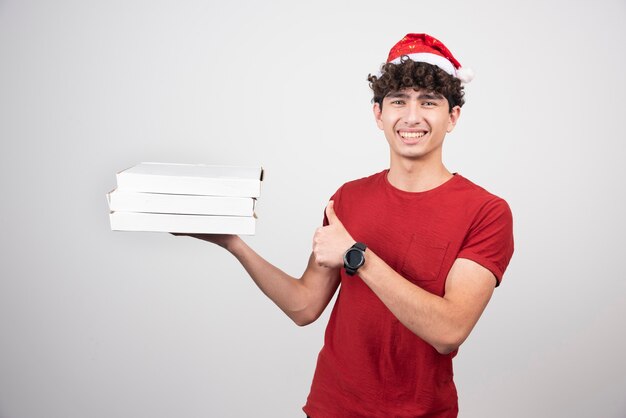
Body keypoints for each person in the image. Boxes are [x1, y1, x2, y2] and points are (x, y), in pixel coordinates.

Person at [179, 33, 514, 418]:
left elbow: (448, 332)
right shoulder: (348, 199)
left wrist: (358, 256)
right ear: (378, 114)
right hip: (332, 407)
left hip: (421, 412)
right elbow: (304, 306)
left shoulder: (486, 212)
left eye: (429, 102)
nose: (411, 116)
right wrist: (232, 243)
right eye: (398, 101)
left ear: (452, 116)